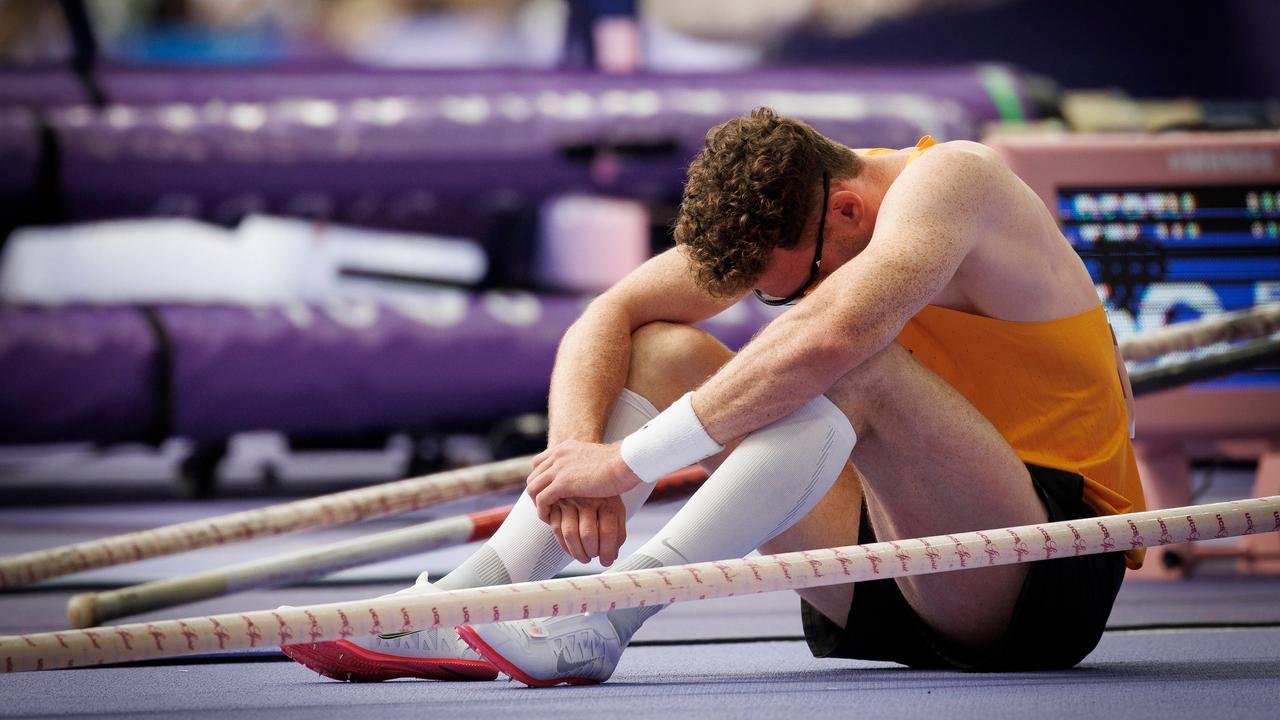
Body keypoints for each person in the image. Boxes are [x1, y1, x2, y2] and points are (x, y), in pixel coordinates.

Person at [285, 107, 1145, 686]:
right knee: (660, 348)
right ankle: (478, 594)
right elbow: (610, 314)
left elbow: (834, 336)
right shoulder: (808, 218)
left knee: (853, 357)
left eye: (788, 283)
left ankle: (604, 620)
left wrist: (628, 461)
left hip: (1040, 572)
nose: (785, 296)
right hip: (891, 563)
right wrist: (576, 464)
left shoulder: (958, 180)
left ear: (846, 211)